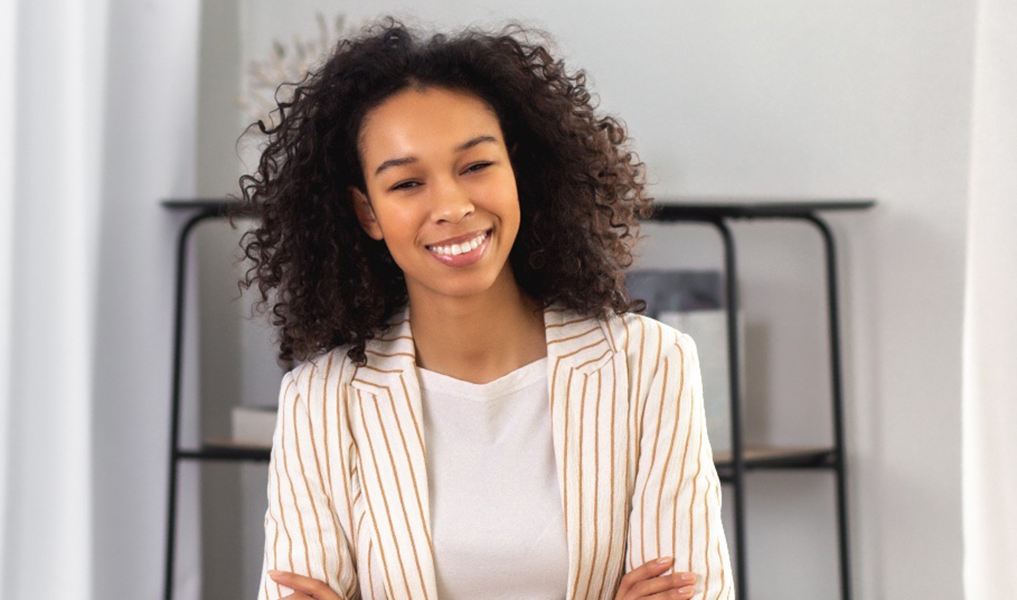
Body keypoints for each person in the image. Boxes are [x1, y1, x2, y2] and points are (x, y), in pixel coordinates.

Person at [236, 18, 735, 600]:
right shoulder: (321, 402)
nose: (451, 206)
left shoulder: (650, 366)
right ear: (367, 212)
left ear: (517, 170)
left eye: (475, 166)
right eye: (405, 184)